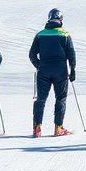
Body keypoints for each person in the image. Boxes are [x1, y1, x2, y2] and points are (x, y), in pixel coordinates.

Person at [29, 8, 77, 137]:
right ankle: (58, 128)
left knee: (41, 99)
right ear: (61, 20)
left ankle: (37, 128)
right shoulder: (65, 35)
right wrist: (72, 71)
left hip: (43, 70)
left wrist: (39, 65)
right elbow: (71, 55)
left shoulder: (40, 35)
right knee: (60, 98)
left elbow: (32, 54)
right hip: (60, 70)